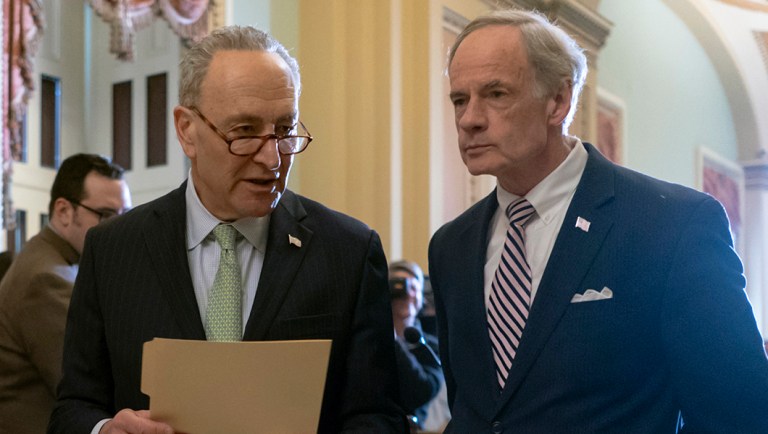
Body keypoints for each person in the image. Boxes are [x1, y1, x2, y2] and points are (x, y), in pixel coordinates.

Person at [48, 25, 406, 434]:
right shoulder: (113, 249)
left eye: (285, 130)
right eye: (245, 132)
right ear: (187, 130)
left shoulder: (349, 251)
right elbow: (73, 407)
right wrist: (104, 429)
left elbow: (378, 415)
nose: (272, 158)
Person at [428, 9, 768, 433]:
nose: (469, 119)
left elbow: (738, 415)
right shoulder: (451, 245)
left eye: (496, 94)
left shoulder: (670, 225)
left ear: (558, 101)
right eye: (460, 99)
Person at [0, 153, 130, 434]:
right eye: (106, 215)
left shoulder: (58, 260)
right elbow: (86, 383)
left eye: (126, 215)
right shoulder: (46, 278)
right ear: (63, 211)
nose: (120, 227)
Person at [389, 260, 443, 430]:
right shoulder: (369, 341)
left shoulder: (430, 345)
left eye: (413, 287)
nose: (407, 294)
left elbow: (422, 392)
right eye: (398, 287)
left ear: (421, 297)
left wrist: (395, 340)